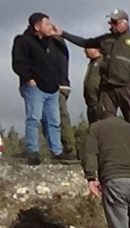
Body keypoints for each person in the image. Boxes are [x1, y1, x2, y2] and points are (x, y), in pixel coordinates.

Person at [60, 9, 130, 126]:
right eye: (110, 22)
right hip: (107, 88)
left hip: (127, 88)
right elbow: (85, 42)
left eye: (115, 22)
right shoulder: (105, 39)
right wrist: (63, 34)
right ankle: (108, 144)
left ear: (125, 23)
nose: (111, 25)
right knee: (105, 123)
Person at [11, 12, 66, 164]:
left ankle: (57, 151)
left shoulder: (52, 42)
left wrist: (57, 37)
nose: (50, 26)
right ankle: (33, 151)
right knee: (34, 119)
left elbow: (62, 58)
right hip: (34, 87)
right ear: (37, 26)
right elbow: (18, 62)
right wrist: (28, 78)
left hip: (52, 88)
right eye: (47, 24)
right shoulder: (23, 41)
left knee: (54, 121)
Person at [41, 21, 76, 158]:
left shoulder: (55, 43)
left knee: (60, 117)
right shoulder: (49, 43)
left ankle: (67, 150)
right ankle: (56, 150)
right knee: (47, 119)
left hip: (58, 85)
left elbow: (58, 64)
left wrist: (61, 85)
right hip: (52, 85)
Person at [82, 47, 103, 124]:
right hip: (90, 104)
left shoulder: (103, 61)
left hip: (99, 104)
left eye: (87, 48)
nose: (84, 51)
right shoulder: (92, 63)